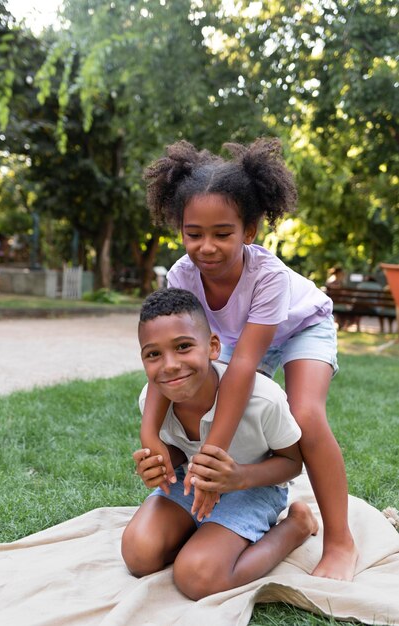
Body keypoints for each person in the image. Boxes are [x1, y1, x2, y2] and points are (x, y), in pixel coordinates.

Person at [140, 137, 357, 581]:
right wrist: (151, 436)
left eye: (223, 234)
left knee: (306, 415)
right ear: (179, 228)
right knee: (213, 399)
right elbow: (171, 361)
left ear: (250, 232)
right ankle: (219, 511)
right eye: (193, 233)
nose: (206, 247)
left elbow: (242, 367)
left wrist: (213, 455)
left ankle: (339, 540)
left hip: (300, 329)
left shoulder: (268, 277)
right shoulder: (183, 275)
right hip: (235, 340)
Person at [122, 288, 318, 599]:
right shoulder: (152, 398)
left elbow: (292, 463)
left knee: (197, 579)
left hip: (252, 486)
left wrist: (240, 477)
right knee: (139, 555)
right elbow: (180, 450)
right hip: (192, 483)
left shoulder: (262, 400)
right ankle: (204, 534)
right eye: (153, 354)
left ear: (213, 347)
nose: (170, 365)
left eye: (183, 346)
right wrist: (160, 466)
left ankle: (297, 525)